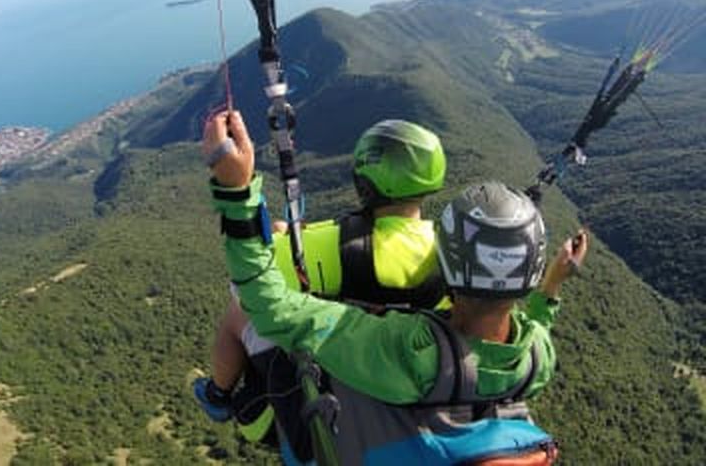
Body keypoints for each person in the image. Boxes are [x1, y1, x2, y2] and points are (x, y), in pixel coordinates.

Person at [202, 110, 589, 465]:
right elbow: (535, 328)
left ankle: (217, 396)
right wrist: (552, 286)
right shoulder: (536, 358)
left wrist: (237, 193)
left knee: (240, 314)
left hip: (323, 428)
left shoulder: (400, 349)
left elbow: (264, 302)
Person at [193, 119, 448, 450]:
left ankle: (218, 395)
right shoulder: (450, 254)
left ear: (364, 183)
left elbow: (251, 279)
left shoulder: (332, 246)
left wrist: (248, 200)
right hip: (414, 401)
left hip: (324, 405)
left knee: (238, 312)